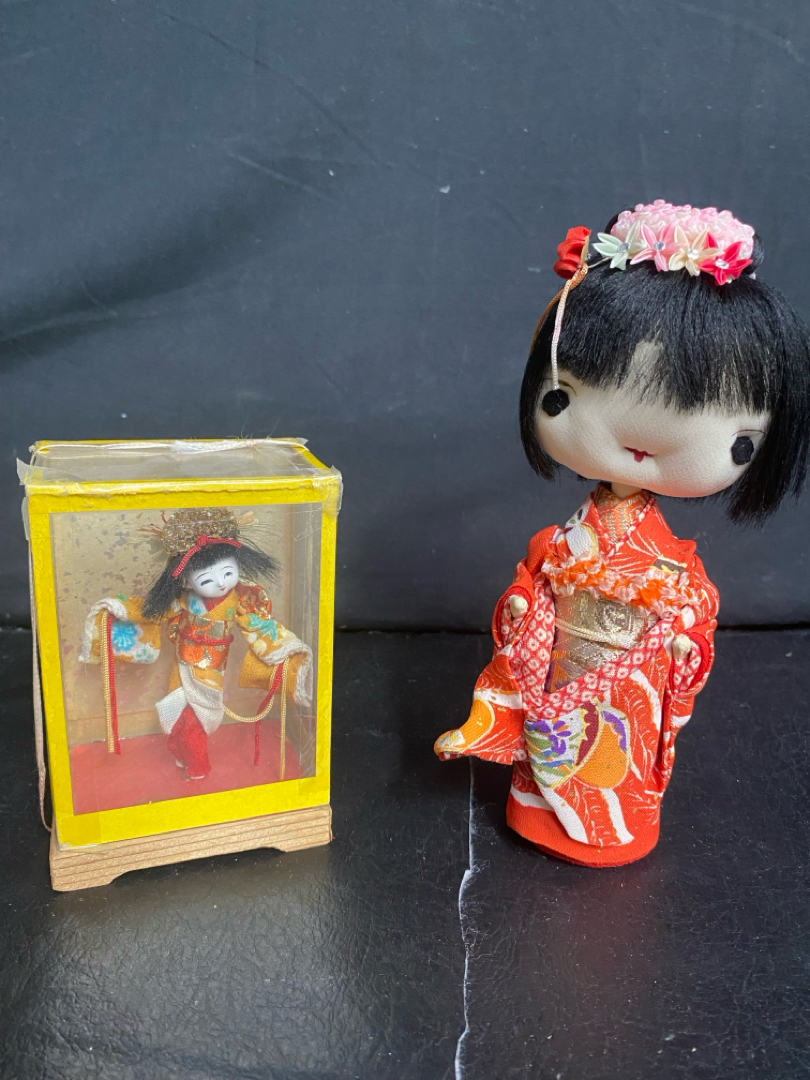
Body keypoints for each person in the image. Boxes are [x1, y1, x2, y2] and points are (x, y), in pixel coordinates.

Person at [435, 201, 810, 866]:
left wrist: (684, 633)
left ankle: (607, 830)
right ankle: (536, 813)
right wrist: (525, 604)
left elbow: (693, 618)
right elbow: (533, 589)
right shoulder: (560, 543)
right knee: (549, 758)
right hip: (559, 670)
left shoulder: (673, 566)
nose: (641, 444)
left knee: (613, 768)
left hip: (629, 689)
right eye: (567, 395)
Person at [80, 506, 312, 779]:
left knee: (197, 720)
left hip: (211, 671)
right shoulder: (182, 601)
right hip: (181, 667)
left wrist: (285, 647)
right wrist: (119, 609)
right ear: (187, 582)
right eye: (207, 579)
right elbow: (151, 611)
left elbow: (259, 626)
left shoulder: (238, 601)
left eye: (228, 572)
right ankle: (182, 753)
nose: (221, 583)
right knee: (176, 714)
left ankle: (198, 766)